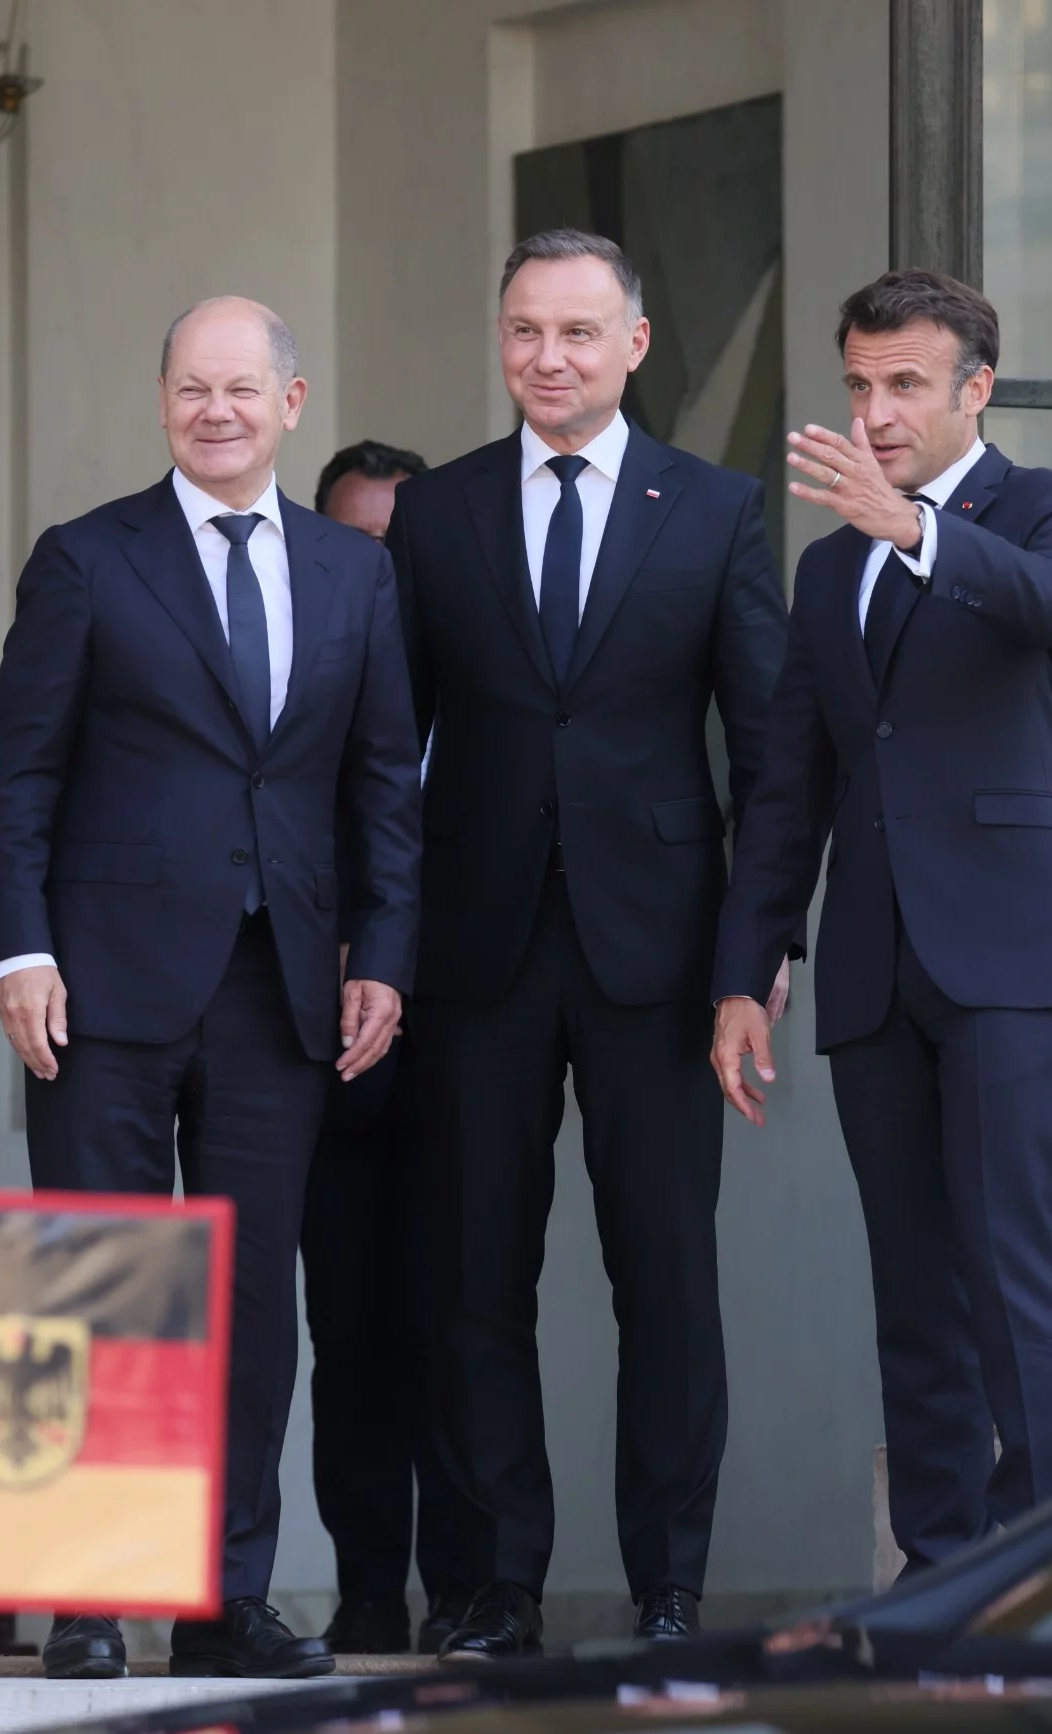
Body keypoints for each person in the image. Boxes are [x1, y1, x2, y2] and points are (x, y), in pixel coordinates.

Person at [0, 296, 421, 1681]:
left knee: (243, 1302)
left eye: (241, 388)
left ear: (291, 403)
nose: (214, 410)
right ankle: (92, 1598)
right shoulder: (87, 559)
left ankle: (224, 1594)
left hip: (278, 987)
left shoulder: (354, 577)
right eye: (190, 387)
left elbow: (382, 785)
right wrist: (19, 947)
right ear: (162, 397)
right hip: (100, 987)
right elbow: (21, 776)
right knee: (99, 1289)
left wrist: (385, 955)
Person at [387, 229, 787, 1657]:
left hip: (663, 957)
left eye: (574, 332)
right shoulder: (439, 514)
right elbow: (388, 750)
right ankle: (497, 1584)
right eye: (522, 333)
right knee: (476, 1275)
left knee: (665, 1276)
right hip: (476, 946)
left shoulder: (717, 507)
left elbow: (774, 754)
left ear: (635, 345)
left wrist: (751, 960)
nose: (546, 357)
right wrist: (384, 943)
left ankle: (669, 1586)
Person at [709, 268, 1052, 1577]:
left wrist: (915, 531)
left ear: (974, 389)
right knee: (914, 1294)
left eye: (905, 383)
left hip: (1017, 954)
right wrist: (749, 964)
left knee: (1018, 1279)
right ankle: (944, 1573)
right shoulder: (831, 559)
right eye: (859, 384)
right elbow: (794, 781)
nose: (877, 409)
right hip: (879, 963)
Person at [297, 439, 481, 1656]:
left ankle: (471, 1592)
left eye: (396, 552)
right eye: (354, 548)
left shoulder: (486, 705)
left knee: (466, 1325)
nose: (377, 574)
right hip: (330, 1059)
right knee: (351, 1334)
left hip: (472, 1050)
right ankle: (369, 1592)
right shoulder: (290, 698)